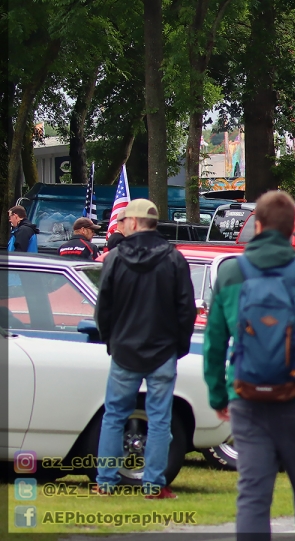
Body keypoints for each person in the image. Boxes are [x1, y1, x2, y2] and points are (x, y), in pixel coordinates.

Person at [204, 191, 295, 533]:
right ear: (291, 231)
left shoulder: (231, 273)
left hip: (247, 397)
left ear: (258, 225)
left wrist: (218, 396)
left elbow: (214, 343)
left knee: (253, 495)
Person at [95, 199, 195, 498]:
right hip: (163, 351)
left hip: (125, 349)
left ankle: (106, 481)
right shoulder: (174, 258)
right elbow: (185, 309)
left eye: (123, 220)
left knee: (114, 415)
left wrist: (110, 340)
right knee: (160, 419)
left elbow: (104, 309)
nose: (120, 225)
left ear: (135, 222)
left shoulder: (114, 258)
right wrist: (179, 345)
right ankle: (153, 484)